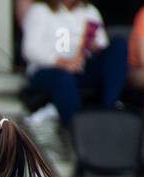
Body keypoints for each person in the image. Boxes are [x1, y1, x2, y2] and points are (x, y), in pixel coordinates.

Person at [20, 1, 127, 132]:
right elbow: (30, 50)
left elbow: (102, 43)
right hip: (47, 71)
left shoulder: (90, 11)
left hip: (81, 68)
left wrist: (92, 46)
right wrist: (63, 63)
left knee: (118, 45)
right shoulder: (40, 10)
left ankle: (110, 109)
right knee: (63, 78)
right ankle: (77, 130)